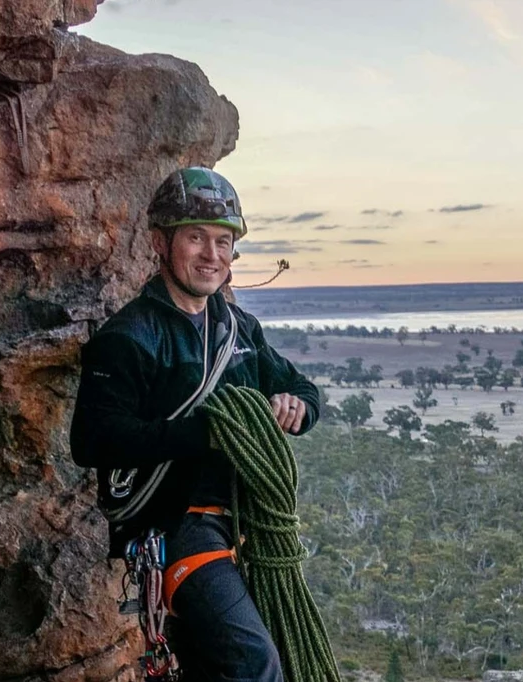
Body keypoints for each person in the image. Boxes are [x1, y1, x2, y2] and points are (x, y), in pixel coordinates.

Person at [71, 167, 323, 682]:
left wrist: (297, 408)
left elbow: (304, 391)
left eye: (223, 242)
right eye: (196, 238)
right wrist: (210, 432)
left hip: (240, 524)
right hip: (175, 527)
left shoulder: (239, 330)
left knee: (214, 667)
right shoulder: (130, 336)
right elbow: (93, 438)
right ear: (162, 243)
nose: (212, 254)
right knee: (253, 663)